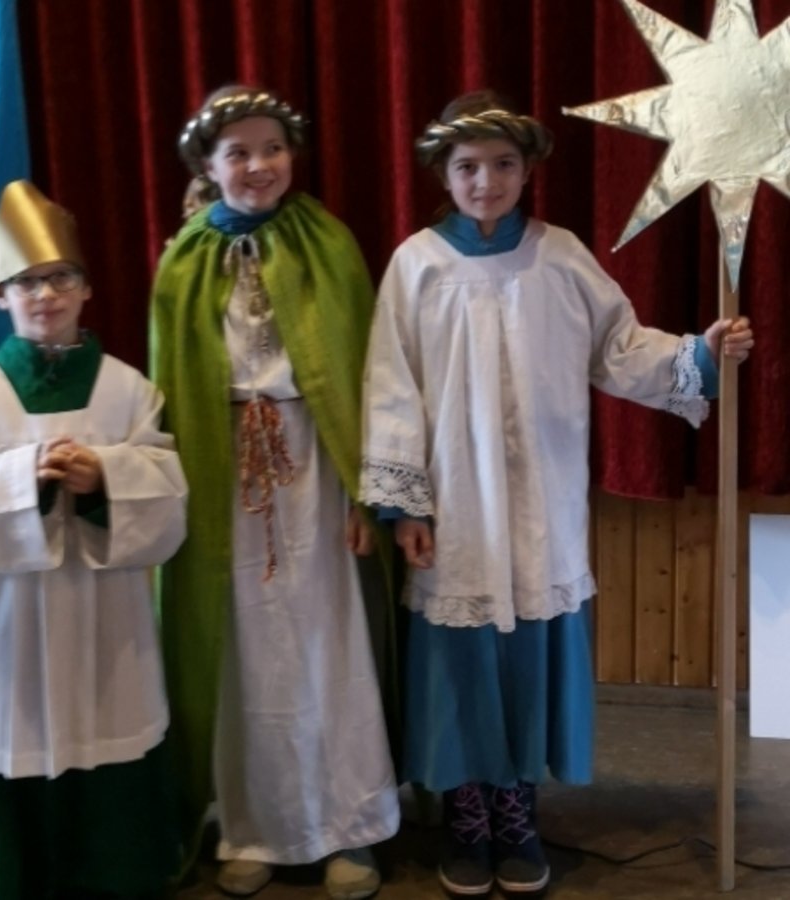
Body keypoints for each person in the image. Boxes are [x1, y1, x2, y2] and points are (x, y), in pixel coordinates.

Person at [358, 90, 754, 898]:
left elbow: (619, 347)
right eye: (469, 167)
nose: (487, 181)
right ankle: (467, 819)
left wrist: (700, 356)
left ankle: (517, 814)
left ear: (528, 170)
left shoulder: (560, 256)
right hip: (456, 510)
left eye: (504, 164)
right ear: (443, 173)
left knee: (528, 667)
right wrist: (406, 507)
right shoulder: (416, 265)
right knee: (463, 671)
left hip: (541, 505)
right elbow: (390, 387)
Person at [0, 180, 189, 900]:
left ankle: (120, 879)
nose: (46, 295)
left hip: (106, 617)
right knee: (20, 740)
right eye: (27, 282)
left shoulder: (129, 391)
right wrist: (20, 478)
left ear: (87, 288)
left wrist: (106, 479)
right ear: (0, 296)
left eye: (61, 277)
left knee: (112, 729)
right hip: (10, 630)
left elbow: (169, 495)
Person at [150, 86, 399, 900]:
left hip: (316, 462)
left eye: (272, 149)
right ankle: (252, 828)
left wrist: (365, 494)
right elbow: (171, 382)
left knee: (330, 640)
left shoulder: (327, 242)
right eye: (238, 153)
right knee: (244, 651)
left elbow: (363, 372)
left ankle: (349, 828)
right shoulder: (184, 259)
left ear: (293, 155)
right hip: (223, 467)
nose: (258, 166)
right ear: (208, 164)